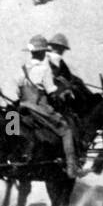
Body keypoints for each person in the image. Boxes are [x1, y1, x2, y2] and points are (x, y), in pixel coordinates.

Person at [16, 35, 84, 178]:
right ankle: (72, 167)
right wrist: (64, 93)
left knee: (11, 131)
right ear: (42, 52)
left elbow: (17, 91)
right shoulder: (44, 69)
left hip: (21, 107)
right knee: (66, 130)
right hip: (39, 109)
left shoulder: (21, 69)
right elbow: (51, 91)